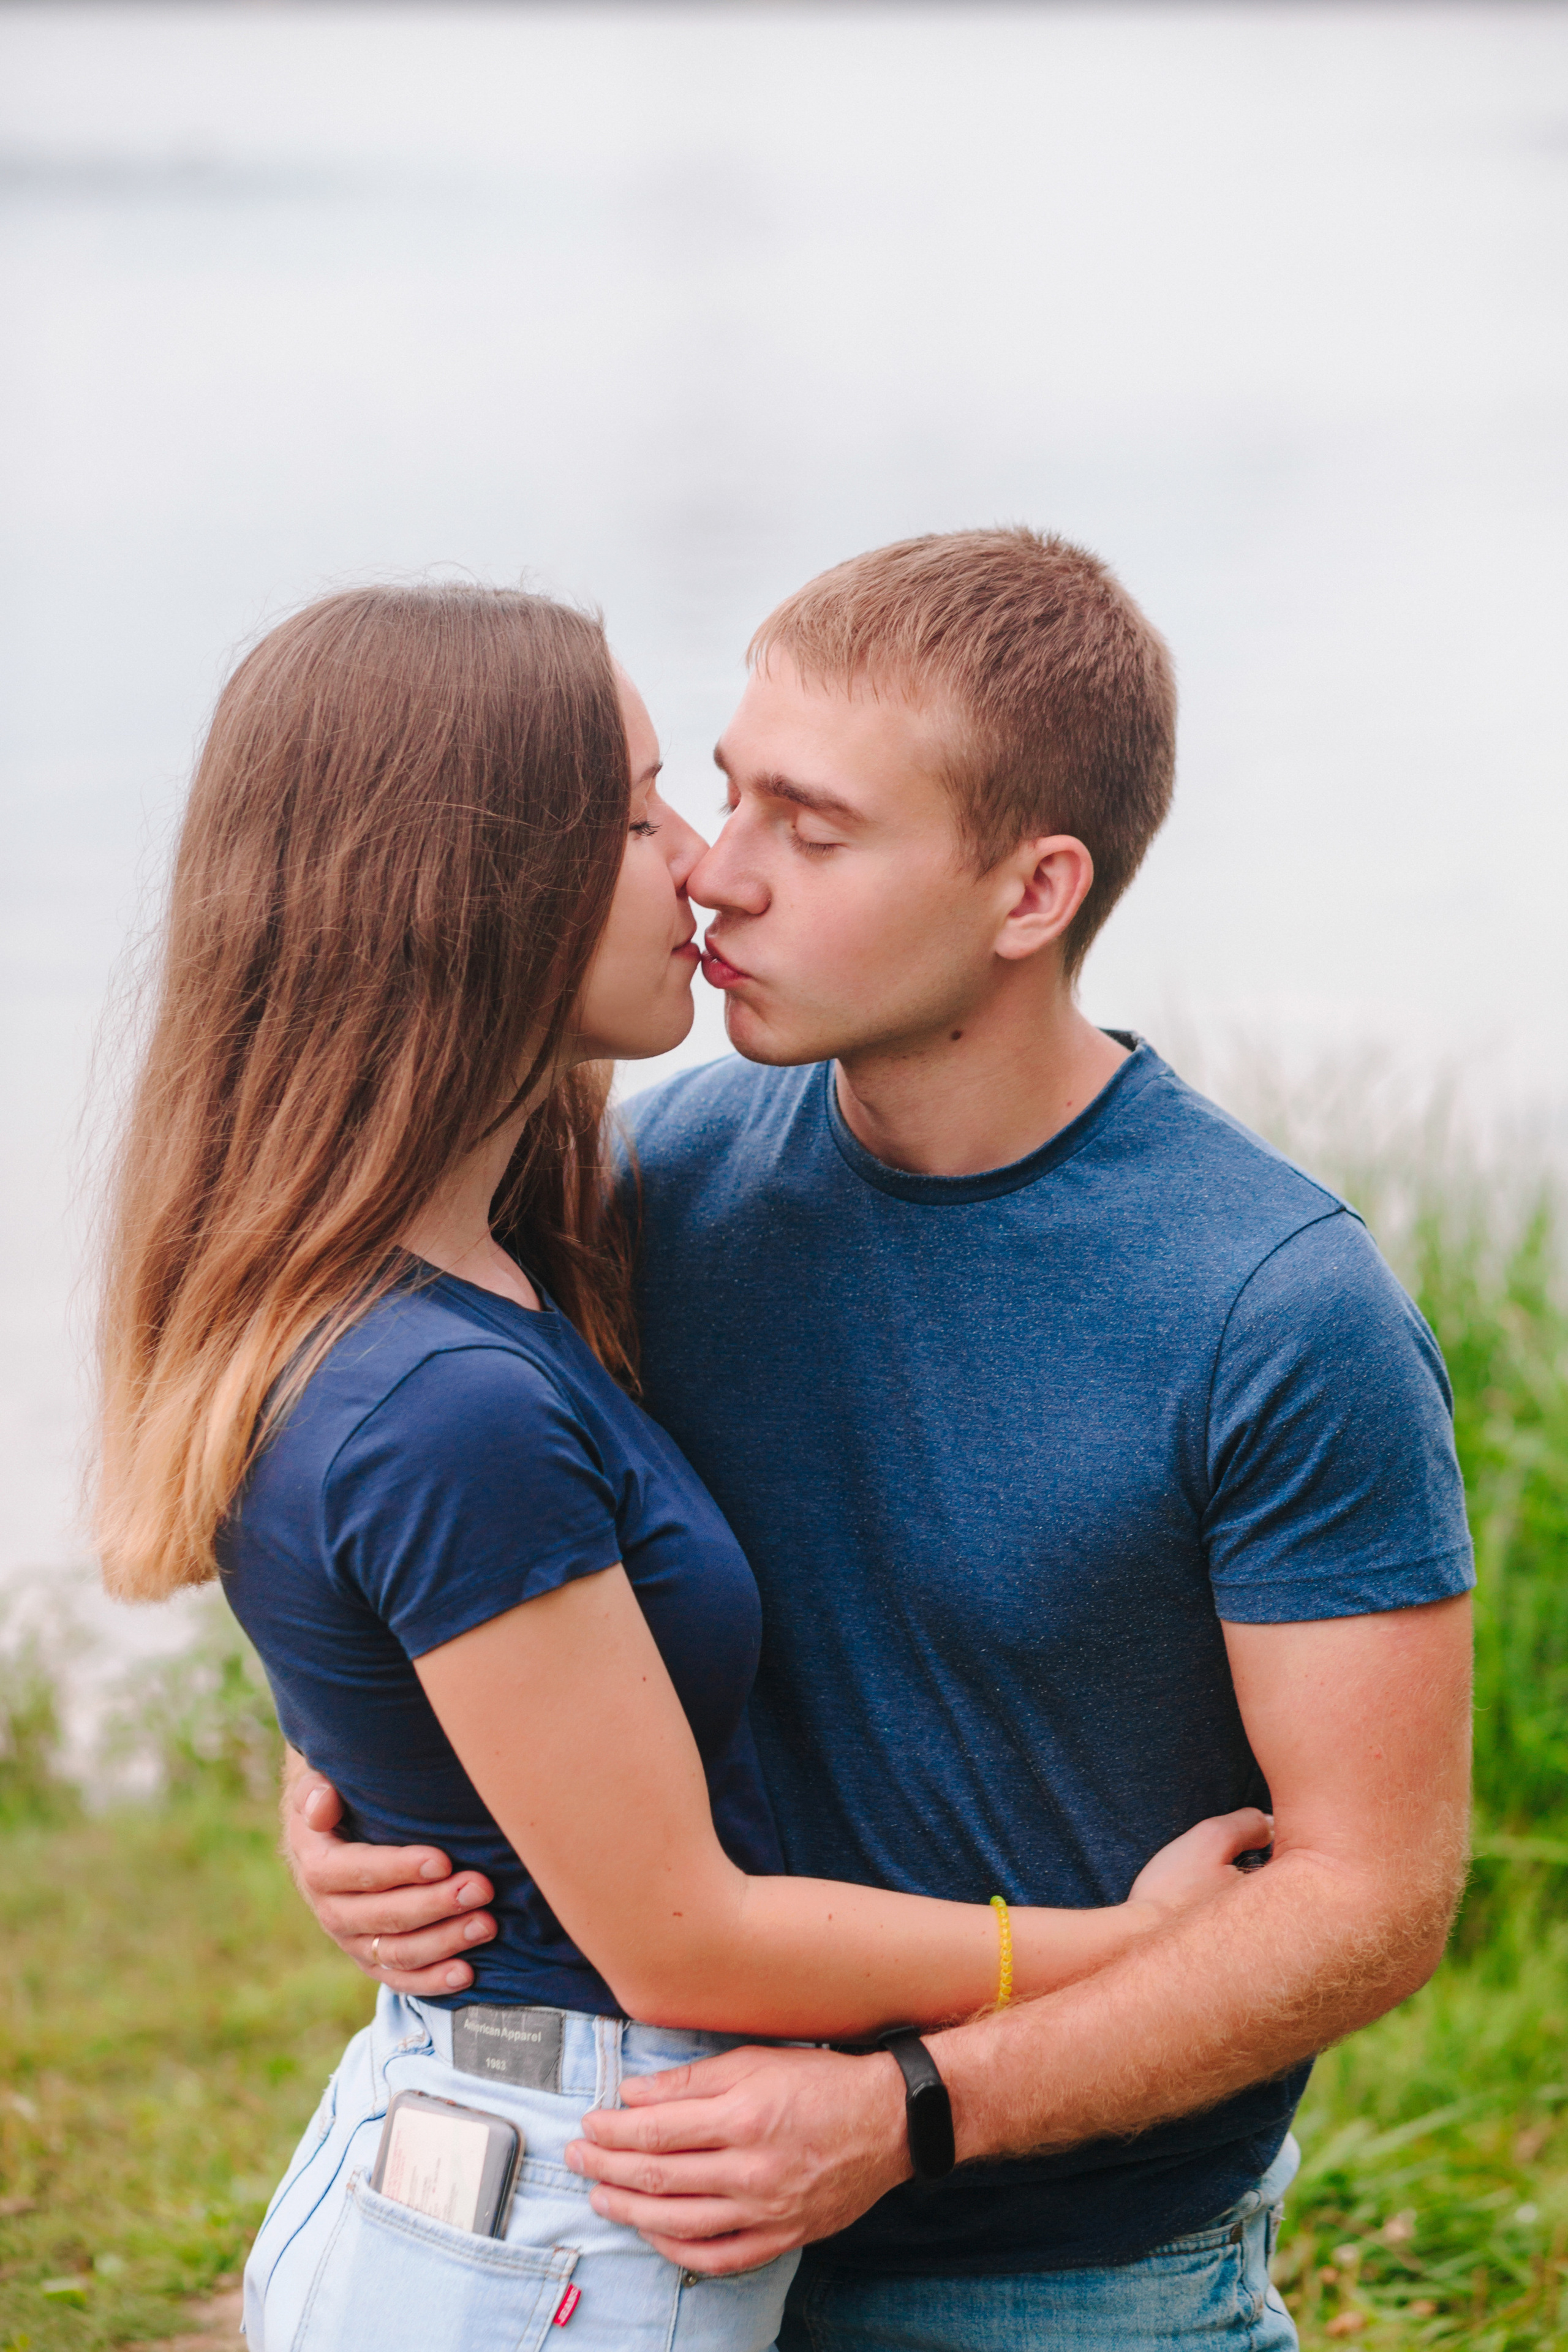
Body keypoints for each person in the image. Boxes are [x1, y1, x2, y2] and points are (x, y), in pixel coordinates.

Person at [289, 530, 1476, 2352]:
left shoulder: (1274, 1305)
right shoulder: (649, 1183)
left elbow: (1370, 1899)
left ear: (1031, 893)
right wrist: (346, 1790)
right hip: (633, 2240)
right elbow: (412, 1513)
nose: (720, 875)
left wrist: (911, 2109)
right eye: (724, 795)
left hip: (1060, 2279)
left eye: (815, 834)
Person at [93, 580, 1268, 2352]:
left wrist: (364, 1778)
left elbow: (405, 1594)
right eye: (643, 810)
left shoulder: (511, 1250)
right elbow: (682, 1946)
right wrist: (1128, 1942)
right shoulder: (447, 1385)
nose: (704, 865)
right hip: (577, 2229)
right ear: (467, 885)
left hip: (525, 2164)